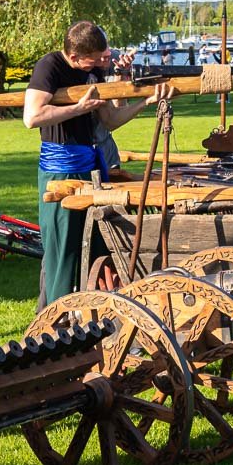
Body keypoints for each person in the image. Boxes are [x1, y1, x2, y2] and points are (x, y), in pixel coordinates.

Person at [24, 21, 175, 308]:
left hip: (92, 167)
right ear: (75, 56)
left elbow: (111, 120)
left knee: (96, 243)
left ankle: (89, 310)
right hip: (60, 171)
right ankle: (54, 316)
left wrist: (146, 101)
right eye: (95, 59)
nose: (101, 62)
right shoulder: (49, 66)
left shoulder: (93, 71)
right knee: (62, 251)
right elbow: (32, 117)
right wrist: (78, 109)